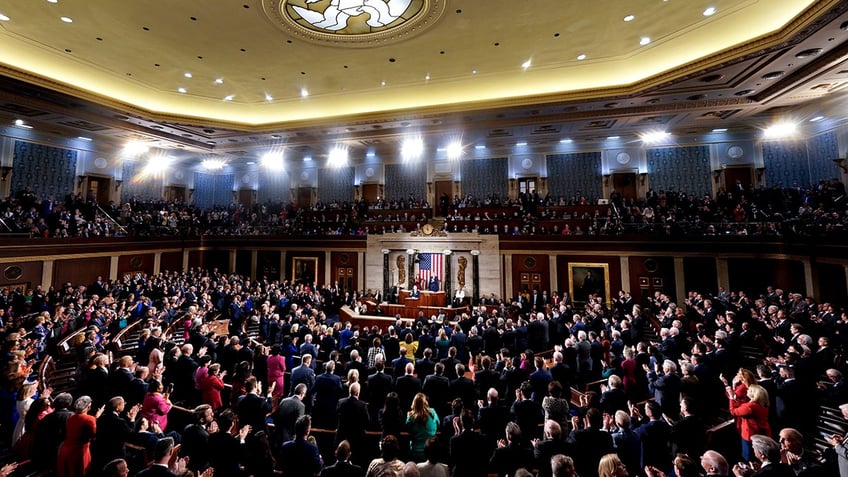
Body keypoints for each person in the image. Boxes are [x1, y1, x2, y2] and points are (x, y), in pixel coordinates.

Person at [57, 395, 103, 477]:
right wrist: (96, 419)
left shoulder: (71, 417)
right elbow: (93, 435)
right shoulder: (90, 419)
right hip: (80, 452)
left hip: (65, 450)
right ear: (88, 407)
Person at [729, 384, 771, 462]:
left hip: (750, 435)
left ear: (754, 394)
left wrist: (731, 398)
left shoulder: (749, 407)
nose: (747, 390)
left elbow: (733, 411)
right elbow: (742, 407)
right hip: (763, 432)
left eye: (749, 390)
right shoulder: (762, 403)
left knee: (749, 457)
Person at [406, 393, 439, 462]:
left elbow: (407, 429)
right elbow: (438, 424)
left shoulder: (411, 416)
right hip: (431, 451)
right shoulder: (432, 412)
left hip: (416, 452)